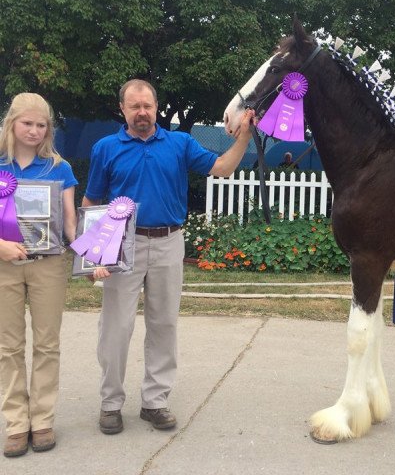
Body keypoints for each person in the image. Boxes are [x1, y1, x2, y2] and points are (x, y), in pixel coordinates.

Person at [83, 79, 255, 435]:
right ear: (123, 110)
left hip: (168, 242)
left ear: (156, 106)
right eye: (135, 107)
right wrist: (91, 255)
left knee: (164, 325)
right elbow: (92, 202)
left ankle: (155, 402)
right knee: (116, 327)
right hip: (120, 246)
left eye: (147, 105)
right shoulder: (105, 148)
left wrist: (244, 138)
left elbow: (222, 168)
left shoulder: (179, 143)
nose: (142, 112)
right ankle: (111, 403)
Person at [0, 93, 77, 457]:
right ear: (12, 122)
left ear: (49, 129)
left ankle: (42, 419)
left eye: (41, 124)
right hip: (3, 265)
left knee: (47, 344)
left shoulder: (59, 169)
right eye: (27, 123)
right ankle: (16, 423)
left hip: (48, 265)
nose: (33, 131)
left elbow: (71, 225)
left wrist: (95, 257)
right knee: (8, 347)